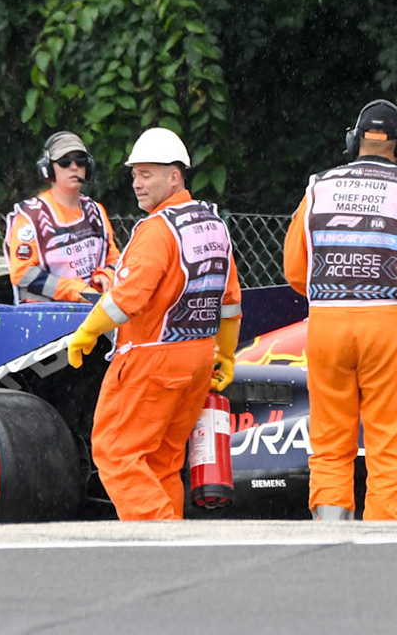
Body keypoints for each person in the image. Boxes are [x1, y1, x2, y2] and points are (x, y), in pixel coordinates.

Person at [283, 99, 397, 521]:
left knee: (330, 441)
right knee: (387, 445)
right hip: (389, 327)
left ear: (354, 141)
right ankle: (380, 544)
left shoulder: (318, 186)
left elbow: (295, 270)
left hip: (325, 326)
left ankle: (330, 530)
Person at [65, 127, 241, 520]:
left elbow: (127, 299)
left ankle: (161, 538)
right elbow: (230, 303)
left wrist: (87, 331)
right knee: (162, 460)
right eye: (134, 175)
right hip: (196, 360)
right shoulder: (213, 226)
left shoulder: (157, 230)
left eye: (146, 174)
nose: (137, 184)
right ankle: (173, 547)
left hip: (150, 360)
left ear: (174, 176)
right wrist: (225, 355)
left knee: (116, 452)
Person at [6, 131, 119, 304]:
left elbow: (113, 257)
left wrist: (107, 274)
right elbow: (22, 273)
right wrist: (76, 291)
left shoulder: (96, 211)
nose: (74, 167)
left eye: (80, 160)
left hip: (91, 313)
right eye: (64, 161)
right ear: (48, 169)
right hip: (45, 318)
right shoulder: (31, 217)